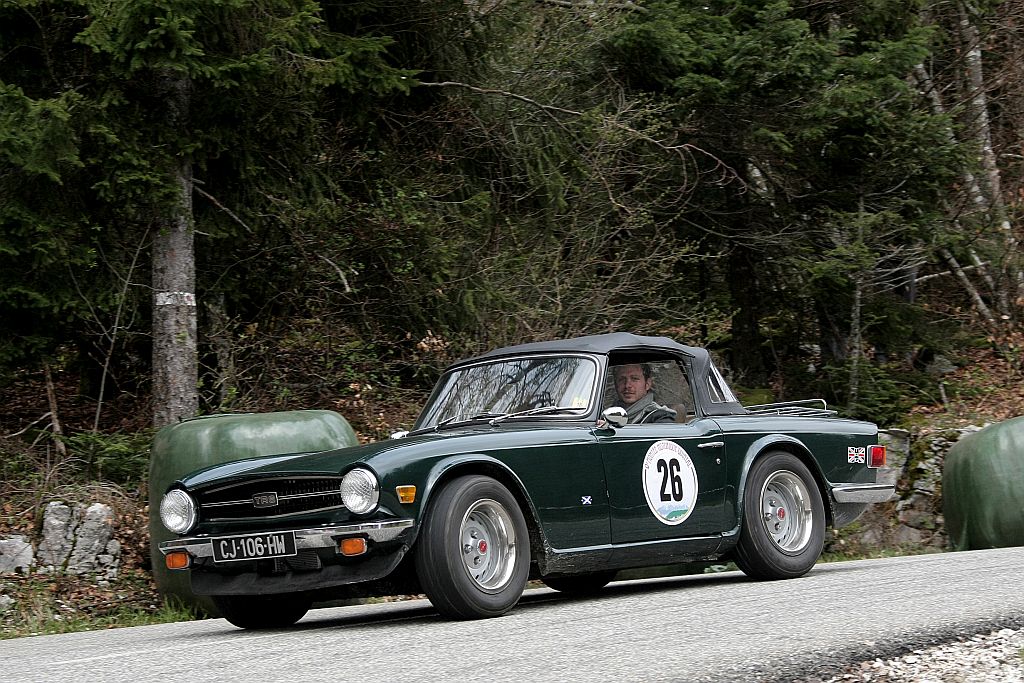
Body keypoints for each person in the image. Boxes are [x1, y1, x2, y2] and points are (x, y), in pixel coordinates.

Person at [612, 363, 677, 424]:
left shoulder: (660, 418)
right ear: (615, 384)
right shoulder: (610, 415)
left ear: (647, 384)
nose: (627, 385)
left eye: (634, 379)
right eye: (622, 379)